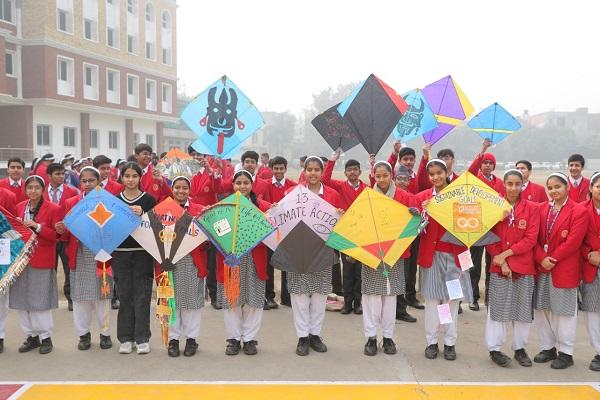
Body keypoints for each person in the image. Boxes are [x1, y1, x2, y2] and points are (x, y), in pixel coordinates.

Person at [415, 159, 473, 361]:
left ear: (446, 172)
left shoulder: (460, 197)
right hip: (431, 257)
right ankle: (431, 342)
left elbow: (470, 226)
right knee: (432, 302)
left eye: (439, 173)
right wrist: (424, 214)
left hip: (455, 258)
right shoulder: (422, 198)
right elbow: (415, 231)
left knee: (450, 303)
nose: (436, 177)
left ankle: (449, 343)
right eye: (431, 175)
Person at [485, 169, 540, 367]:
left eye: (518, 184)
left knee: (522, 311)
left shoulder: (532, 209)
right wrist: (502, 261)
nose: (514, 188)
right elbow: (487, 235)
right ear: (504, 185)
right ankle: (495, 349)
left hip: (523, 267)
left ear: (523, 185)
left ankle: (519, 348)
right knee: (498, 310)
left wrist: (506, 255)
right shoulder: (493, 206)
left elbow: (531, 239)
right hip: (499, 267)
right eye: (510, 184)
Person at [533, 172, 587, 369]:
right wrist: (541, 258)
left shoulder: (578, 211)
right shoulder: (541, 209)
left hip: (563, 267)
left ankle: (566, 352)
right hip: (542, 266)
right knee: (542, 308)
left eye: (558, 187)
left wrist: (552, 259)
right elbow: (534, 238)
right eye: (550, 188)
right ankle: (548, 347)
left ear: (567, 188)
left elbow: (573, 241)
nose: (553, 191)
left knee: (563, 311)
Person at [362, 160, 416, 356]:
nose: (382, 179)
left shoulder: (405, 197)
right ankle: (370, 337)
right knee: (371, 298)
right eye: (378, 176)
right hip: (372, 253)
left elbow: (417, 225)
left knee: (390, 298)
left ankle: (388, 337)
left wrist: (415, 216)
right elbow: (360, 224)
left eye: (385, 175)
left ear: (391, 176)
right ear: (374, 177)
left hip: (395, 253)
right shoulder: (367, 198)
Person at [288, 156, 341, 356]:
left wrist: (339, 215)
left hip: (322, 250)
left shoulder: (333, 195)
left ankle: (315, 335)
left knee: (319, 295)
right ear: (304, 170)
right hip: (298, 250)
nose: (312, 173)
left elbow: (339, 223)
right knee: (300, 295)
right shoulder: (293, 193)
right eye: (309, 169)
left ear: (322, 171)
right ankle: (302, 336)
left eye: (316, 169)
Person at [56, 167, 113, 351]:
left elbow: (115, 229)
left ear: (98, 182)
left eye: (91, 181)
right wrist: (61, 229)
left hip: (101, 254)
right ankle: (83, 335)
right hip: (79, 252)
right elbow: (65, 235)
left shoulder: (109, 202)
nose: (87, 184)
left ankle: (105, 334)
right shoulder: (71, 202)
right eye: (84, 181)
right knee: (80, 298)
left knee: (103, 296)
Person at [219, 170, 271, 356]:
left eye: (246, 183)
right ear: (233, 185)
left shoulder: (263, 207)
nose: (242, 186)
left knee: (253, 301)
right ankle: (233, 338)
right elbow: (216, 231)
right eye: (238, 183)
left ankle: (249, 339)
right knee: (232, 300)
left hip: (254, 259)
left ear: (252, 185)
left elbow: (275, 227)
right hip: (231, 261)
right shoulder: (223, 207)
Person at [10, 175, 61, 355]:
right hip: (21, 260)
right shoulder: (19, 207)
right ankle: (31, 336)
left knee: (40, 300)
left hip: (42, 259)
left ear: (43, 189)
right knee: (21, 300)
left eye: (36, 187)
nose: (33, 191)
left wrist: (37, 227)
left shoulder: (53, 208)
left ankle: (46, 337)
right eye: (29, 187)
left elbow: (56, 236)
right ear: (25, 190)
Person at [112, 162, 157, 355]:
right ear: (121, 178)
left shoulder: (149, 200)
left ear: (140, 178)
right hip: (120, 253)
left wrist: (144, 214)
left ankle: (142, 338)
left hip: (142, 252)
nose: (130, 180)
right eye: (127, 176)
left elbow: (157, 226)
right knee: (124, 295)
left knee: (142, 295)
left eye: (134, 176)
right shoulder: (114, 200)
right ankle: (125, 338)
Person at [164, 176, 208, 357]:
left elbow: (208, 238)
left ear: (190, 190)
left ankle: (191, 339)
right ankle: (173, 340)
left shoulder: (199, 210)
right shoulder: (162, 210)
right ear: (172, 189)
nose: (181, 191)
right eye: (177, 188)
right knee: (172, 302)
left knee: (192, 303)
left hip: (193, 261)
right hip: (170, 262)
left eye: (184, 188)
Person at [323, 149, 368, 316]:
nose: (352, 172)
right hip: (344, 233)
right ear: (345, 172)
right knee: (347, 270)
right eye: (349, 170)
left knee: (360, 271)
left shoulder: (367, 189)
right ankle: (347, 303)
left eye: (355, 169)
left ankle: (358, 303)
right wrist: (332, 159)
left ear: (359, 171)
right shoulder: (341, 186)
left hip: (362, 234)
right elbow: (325, 179)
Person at [468, 139, 504, 311]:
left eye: (490, 163)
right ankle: (473, 297)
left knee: (492, 264)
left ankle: (490, 298)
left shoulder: (500, 183)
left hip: (494, 229)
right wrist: (482, 150)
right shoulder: (474, 178)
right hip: (476, 227)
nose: (488, 165)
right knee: (474, 265)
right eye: (485, 163)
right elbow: (470, 170)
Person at [187, 146, 221, 310]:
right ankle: (194, 294)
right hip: (191, 220)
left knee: (213, 260)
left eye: (200, 154)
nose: (197, 158)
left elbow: (218, 187)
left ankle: (214, 296)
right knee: (194, 258)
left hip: (210, 219)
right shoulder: (185, 174)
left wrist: (210, 168)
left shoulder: (211, 172)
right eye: (194, 155)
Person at [263, 156, 297, 309]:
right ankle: (269, 297)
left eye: (281, 168)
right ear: (271, 169)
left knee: (286, 264)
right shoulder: (264, 186)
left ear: (285, 169)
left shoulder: (293, 186)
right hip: (269, 231)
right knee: (269, 264)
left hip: (287, 231)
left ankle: (286, 296)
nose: (278, 171)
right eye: (275, 168)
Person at [44, 163, 79, 311]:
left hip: (66, 237)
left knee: (68, 268)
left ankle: (70, 298)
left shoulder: (72, 192)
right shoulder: (42, 191)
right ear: (49, 176)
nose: (61, 176)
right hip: (48, 237)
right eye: (57, 174)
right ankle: (48, 298)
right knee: (48, 270)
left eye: (62, 174)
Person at [581, 171, 600, 371]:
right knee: (592, 311)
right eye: (598, 186)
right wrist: (589, 254)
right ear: (591, 188)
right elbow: (577, 240)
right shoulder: (581, 210)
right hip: (590, 266)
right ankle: (599, 351)